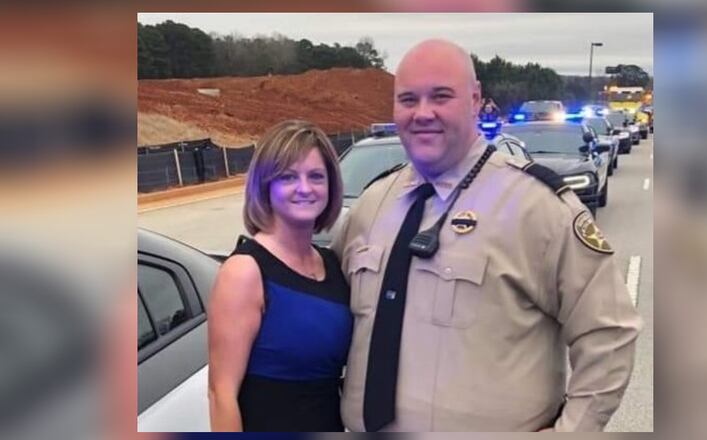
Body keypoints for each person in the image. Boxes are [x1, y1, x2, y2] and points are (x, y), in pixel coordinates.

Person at [331, 39, 642, 432]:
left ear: (476, 100)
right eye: (408, 99)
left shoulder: (537, 207)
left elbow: (610, 333)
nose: (422, 113)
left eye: (441, 96)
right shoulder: (372, 206)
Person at [208, 119, 351, 432]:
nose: (304, 188)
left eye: (316, 176)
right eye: (288, 177)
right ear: (264, 185)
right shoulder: (245, 271)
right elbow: (221, 395)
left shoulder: (332, 264)